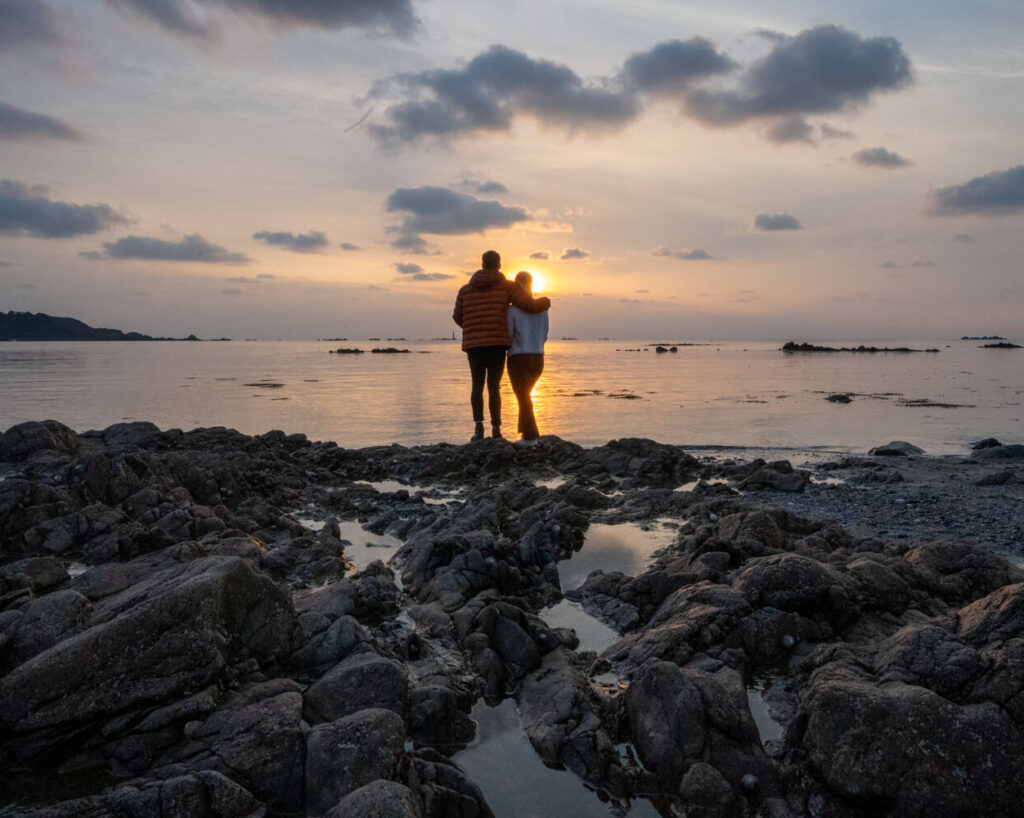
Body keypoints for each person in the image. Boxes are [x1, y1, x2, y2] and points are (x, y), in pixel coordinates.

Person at [452, 250, 550, 441]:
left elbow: (457, 316)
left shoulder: (464, 290)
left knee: (477, 385)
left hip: (474, 345)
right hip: (496, 343)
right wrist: (545, 302)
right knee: (494, 387)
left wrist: (473, 328)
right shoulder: (507, 287)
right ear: (499, 265)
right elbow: (528, 304)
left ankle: (478, 429)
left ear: (482, 264)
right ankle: (496, 430)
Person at [506, 271, 549, 445]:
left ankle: (531, 437)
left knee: (523, 396)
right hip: (538, 357)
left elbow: (509, 335)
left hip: (519, 357)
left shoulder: (512, 310)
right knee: (525, 396)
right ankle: (528, 434)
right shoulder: (543, 310)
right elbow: (545, 335)